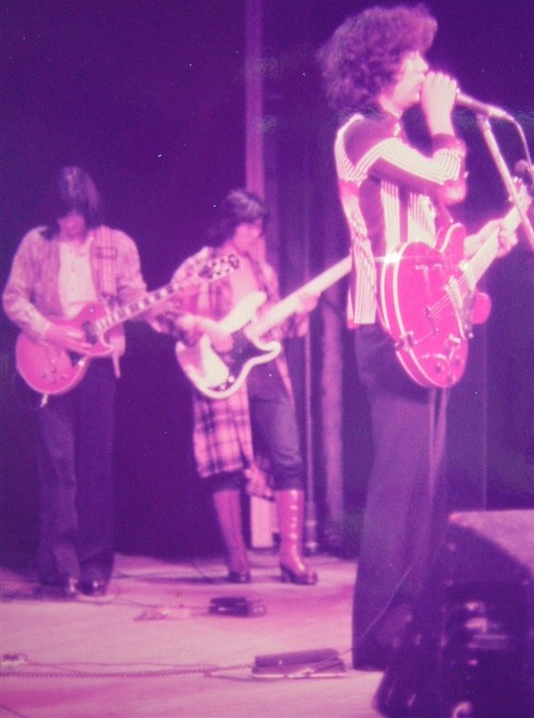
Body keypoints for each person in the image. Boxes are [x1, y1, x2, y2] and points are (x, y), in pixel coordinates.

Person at [318, 4, 516, 671]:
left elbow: (438, 242)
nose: (426, 69)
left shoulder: (396, 142)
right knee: (399, 486)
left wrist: (485, 246)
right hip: (387, 326)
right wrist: (441, 122)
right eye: (412, 58)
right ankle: (379, 636)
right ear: (380, 66)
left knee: (425, 490)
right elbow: (448, 179)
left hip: (423, 323)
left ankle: (415, 624)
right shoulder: (360, 135)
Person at [3, 166, 153, 599]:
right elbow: (13, 298)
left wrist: (162, 304)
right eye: (62, 214)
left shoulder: (117, 245)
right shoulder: (36, 243)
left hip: (99, 366)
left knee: (95, 468)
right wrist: (52, 332)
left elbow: (134, 298)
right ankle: (59, 567)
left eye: (75, 214)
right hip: (49, 360)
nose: (69, 222)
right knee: (57, 465)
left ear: (89, 209)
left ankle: (94, 566)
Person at [168, 189, 318, 586]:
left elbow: (278, 328)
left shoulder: (263, 272)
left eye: (259, 227)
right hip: (217, 367)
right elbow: (167, 312)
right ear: (229, 224)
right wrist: (204, 325)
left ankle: (290, 556)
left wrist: (301, 311)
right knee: (226, 466)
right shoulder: (198, 267)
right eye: (249, 225)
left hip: (264, 367)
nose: (255, 233)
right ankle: (236, 558)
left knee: (288, 456)